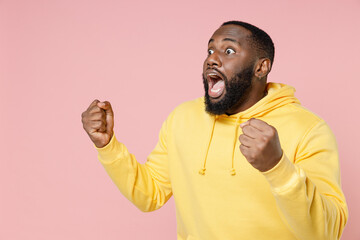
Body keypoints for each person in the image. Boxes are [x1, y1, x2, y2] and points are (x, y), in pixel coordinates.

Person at [81, 21, 348, 240]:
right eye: (210, 51)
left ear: (261, 67)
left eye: (228, 51)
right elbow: (149, 194)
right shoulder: (183, 118)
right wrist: (108, 146)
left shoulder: (308, 129)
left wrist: (277, 166)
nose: (212, 60)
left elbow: (327, 232)